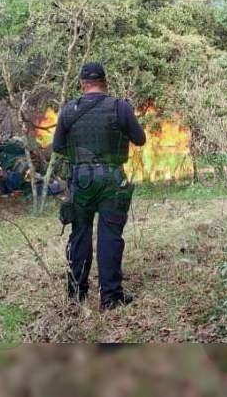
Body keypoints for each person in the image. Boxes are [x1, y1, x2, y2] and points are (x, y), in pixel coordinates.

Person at [52, 62, 146, 311]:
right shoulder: (120, 107)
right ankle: (111, 298)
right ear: (105, 82)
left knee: (80, 234)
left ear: (82, 84)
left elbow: (58, 147)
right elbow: (140, 139)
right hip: (112, 180)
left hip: (81, 180)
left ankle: (76, 295)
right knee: (110, 236)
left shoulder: (68, 111)